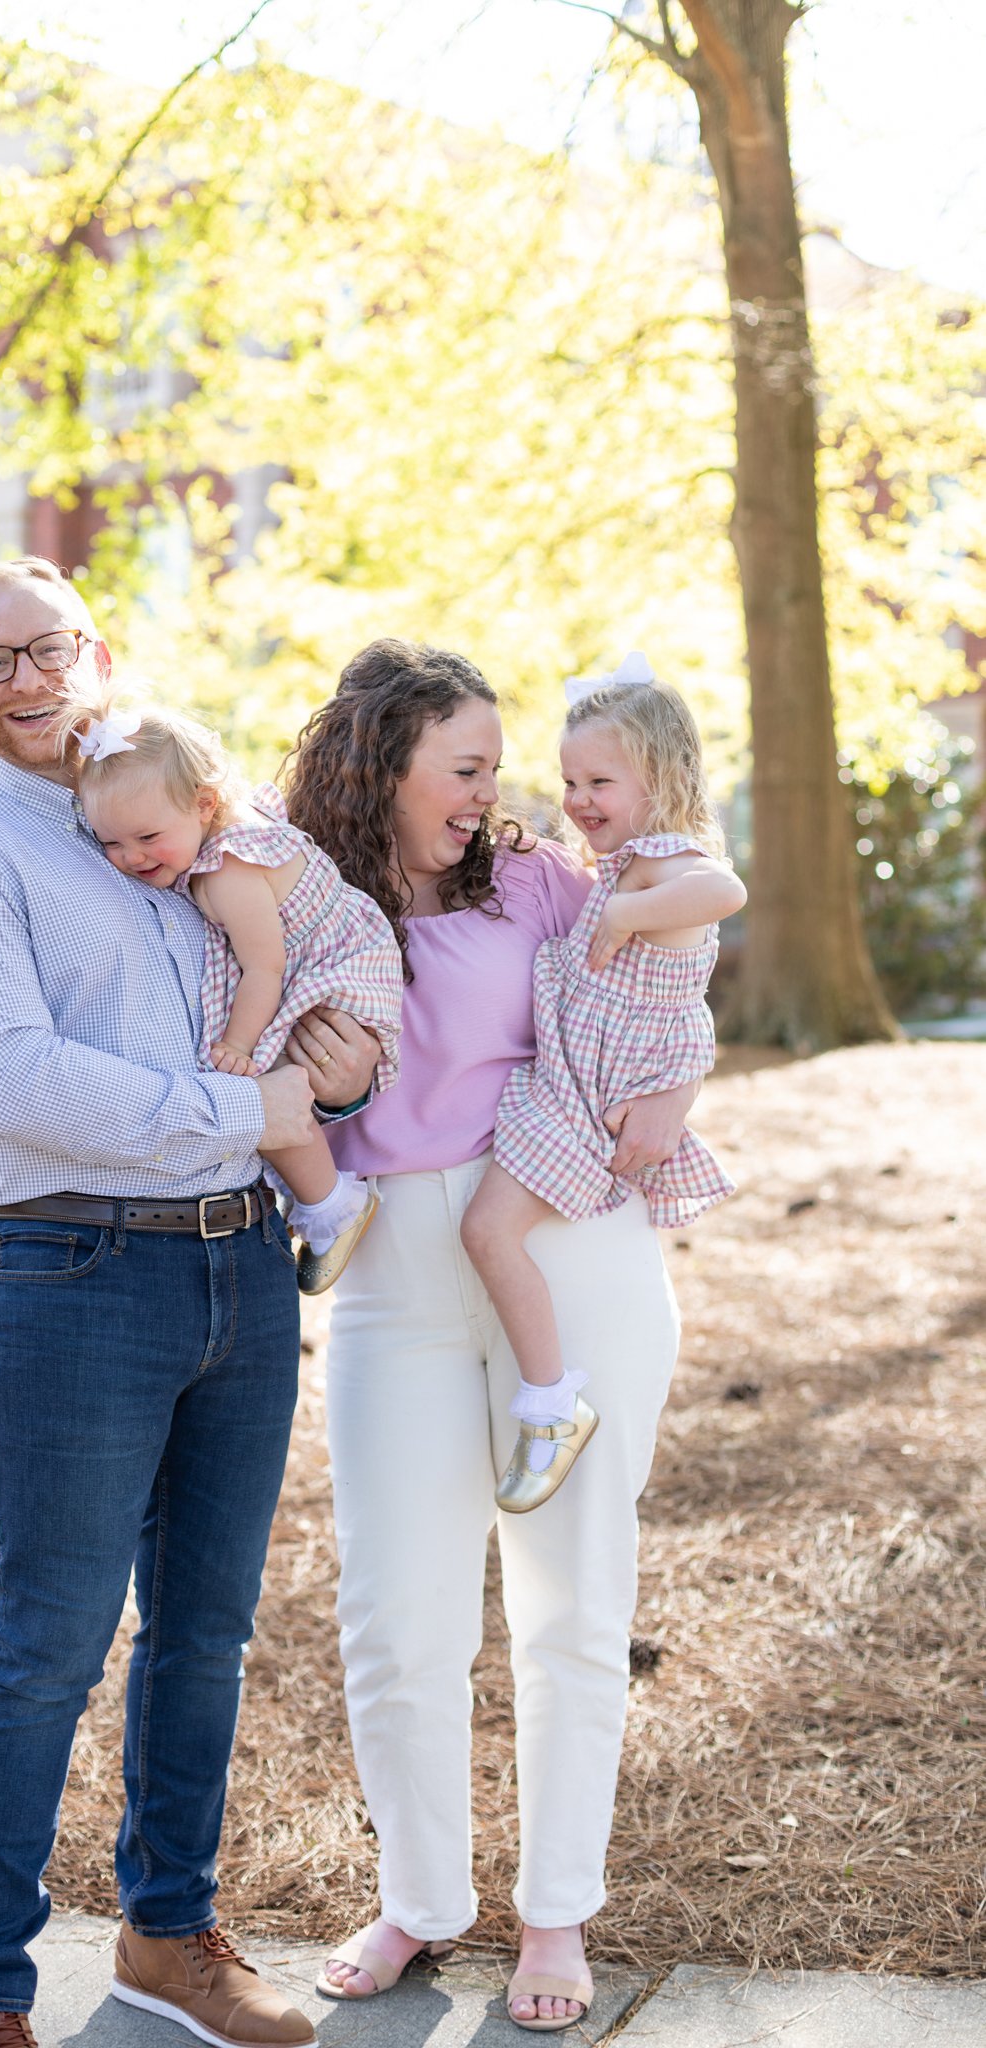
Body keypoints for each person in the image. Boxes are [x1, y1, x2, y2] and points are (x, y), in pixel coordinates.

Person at [0, 556, 379, 2048]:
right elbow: (21, 1086)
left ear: (95, 653)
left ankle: (170, 1938)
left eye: (49, 647)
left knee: (206, 1634)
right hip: (71, 1275)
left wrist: (344, 1070)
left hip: (239, 1266)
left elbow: (309, 999)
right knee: (49, 1637)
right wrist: (265, 1111)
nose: (27, 678)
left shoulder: (192, 818)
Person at [283, 638, 697, 2034]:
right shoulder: (301, 889)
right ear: (383, 762)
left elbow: (663, 965)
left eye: (495, 768)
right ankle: (421, 1897)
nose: (489, 792)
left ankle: (555, 1911)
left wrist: (674, 1097)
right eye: (463, 767)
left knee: (573, 1603)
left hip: (562, 1240)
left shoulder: (536, 876)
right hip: (394, 1268)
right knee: (396, 1615)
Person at [460, 653, 745, 1515]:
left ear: (658, 778)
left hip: (586, 1103)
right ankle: (548, 1399)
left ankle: (550, 1403)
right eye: (569, 780)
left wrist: (621, 912)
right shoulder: (620, 865)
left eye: (599, 781)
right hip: (574, 1084)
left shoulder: (662, 867)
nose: (579, 800)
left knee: (486, 1232)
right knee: (488, 1235)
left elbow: (724, 889)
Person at [53, 685, 404, 1292]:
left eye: (146, 836)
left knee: (255, 1082)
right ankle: (318, 1195)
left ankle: (332, 1203)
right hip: (311, 959)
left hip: (335, 964)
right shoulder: (211, 844)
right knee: (251, 1088)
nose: (131, 857)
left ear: (204, 803)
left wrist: (239, 1044)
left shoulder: (230, 870)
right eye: (110, 843)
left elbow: (265, 967)